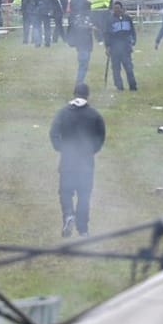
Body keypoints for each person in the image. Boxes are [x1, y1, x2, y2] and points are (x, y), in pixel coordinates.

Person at [49, 82, 106, 238]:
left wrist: (61, 147)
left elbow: (53, 133)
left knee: (65, 192)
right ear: (87, 95)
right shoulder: (94, 115)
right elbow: (101, 136)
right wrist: (92, 150)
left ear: (74, 94)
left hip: (67, 161)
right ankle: (83, 230)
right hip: (86, 163)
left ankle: (68, 215)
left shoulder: (63, 113)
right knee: (84, 195)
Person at [106, 1, 138, 90]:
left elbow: (132, 31)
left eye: (118, 8)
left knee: (129, 67)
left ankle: (133, 86)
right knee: (116, 69)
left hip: (126, 48)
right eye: (115, 8)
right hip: (114, 48)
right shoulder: (110, 20)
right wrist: (107, 46)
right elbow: (107, 34)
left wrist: (133, 41)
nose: (117, 10)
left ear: (121, 9)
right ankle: (119, 87)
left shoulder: (127, 18)